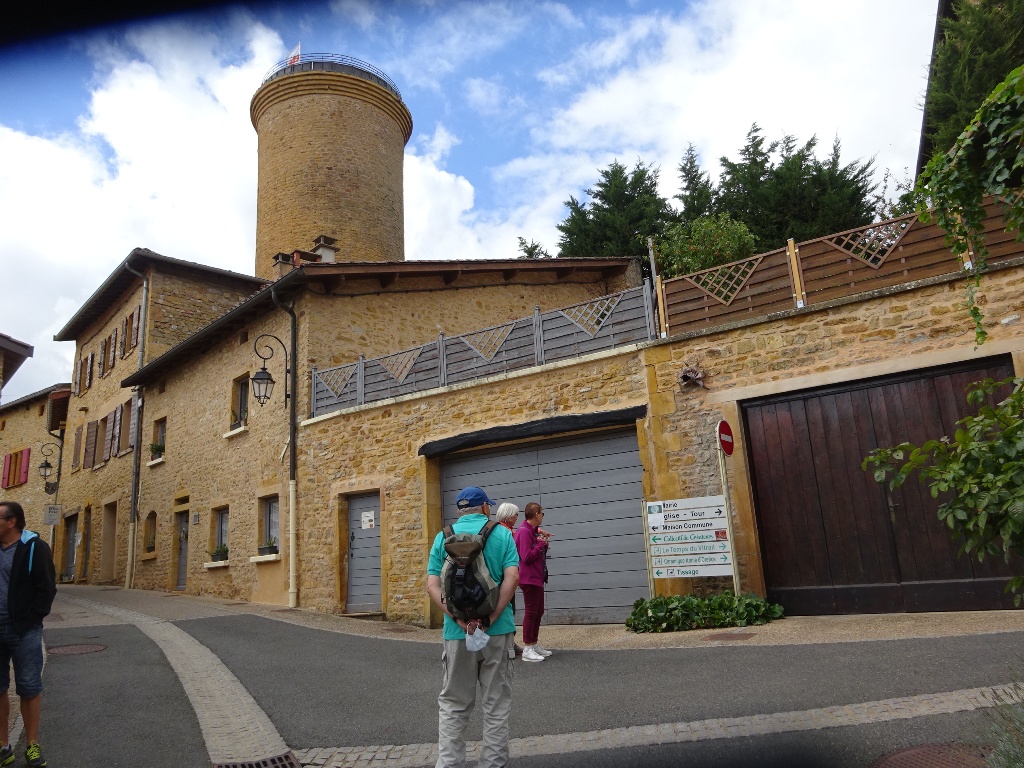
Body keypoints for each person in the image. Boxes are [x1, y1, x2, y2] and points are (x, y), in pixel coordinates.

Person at [427, 487, 519, 768]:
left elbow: (432, 585)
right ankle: (492, 764)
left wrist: (459, 620)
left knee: (454, 703)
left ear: (459, 510)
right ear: (485, 508)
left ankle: (450, 764)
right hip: (497, 630)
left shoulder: (443, 537)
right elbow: (512, 577)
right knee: (495, 704)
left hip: (457, 634)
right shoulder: (502, 534)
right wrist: (490, 619)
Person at [0, 502, 57, 768]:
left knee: (29, 686)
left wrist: (33, 618)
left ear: (11, 522)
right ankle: (3, 747)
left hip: (23, 630)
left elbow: (46, 587)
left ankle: (32, 745)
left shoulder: (34, 547)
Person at [514, 502, 551, 663]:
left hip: (536, 577)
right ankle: (527, 648)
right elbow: (526, 556)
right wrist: (540, 544)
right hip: (528, 578)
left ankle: (534, 644)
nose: (542, 516)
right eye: (542, 513)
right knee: (531, 612)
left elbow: (535, 550)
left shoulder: (531, 531)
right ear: (536, 514)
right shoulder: (523, 532)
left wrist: (542, 545)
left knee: (538, 611)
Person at [493, 503, 523, 657]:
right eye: (515, 514)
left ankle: (509, 642)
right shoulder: (504, 532)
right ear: (508, 515)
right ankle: (508, 643)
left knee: (510, 609)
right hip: (505, 579)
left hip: (506, 578)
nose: (517, 517)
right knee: (508, 609)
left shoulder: (507, 530)